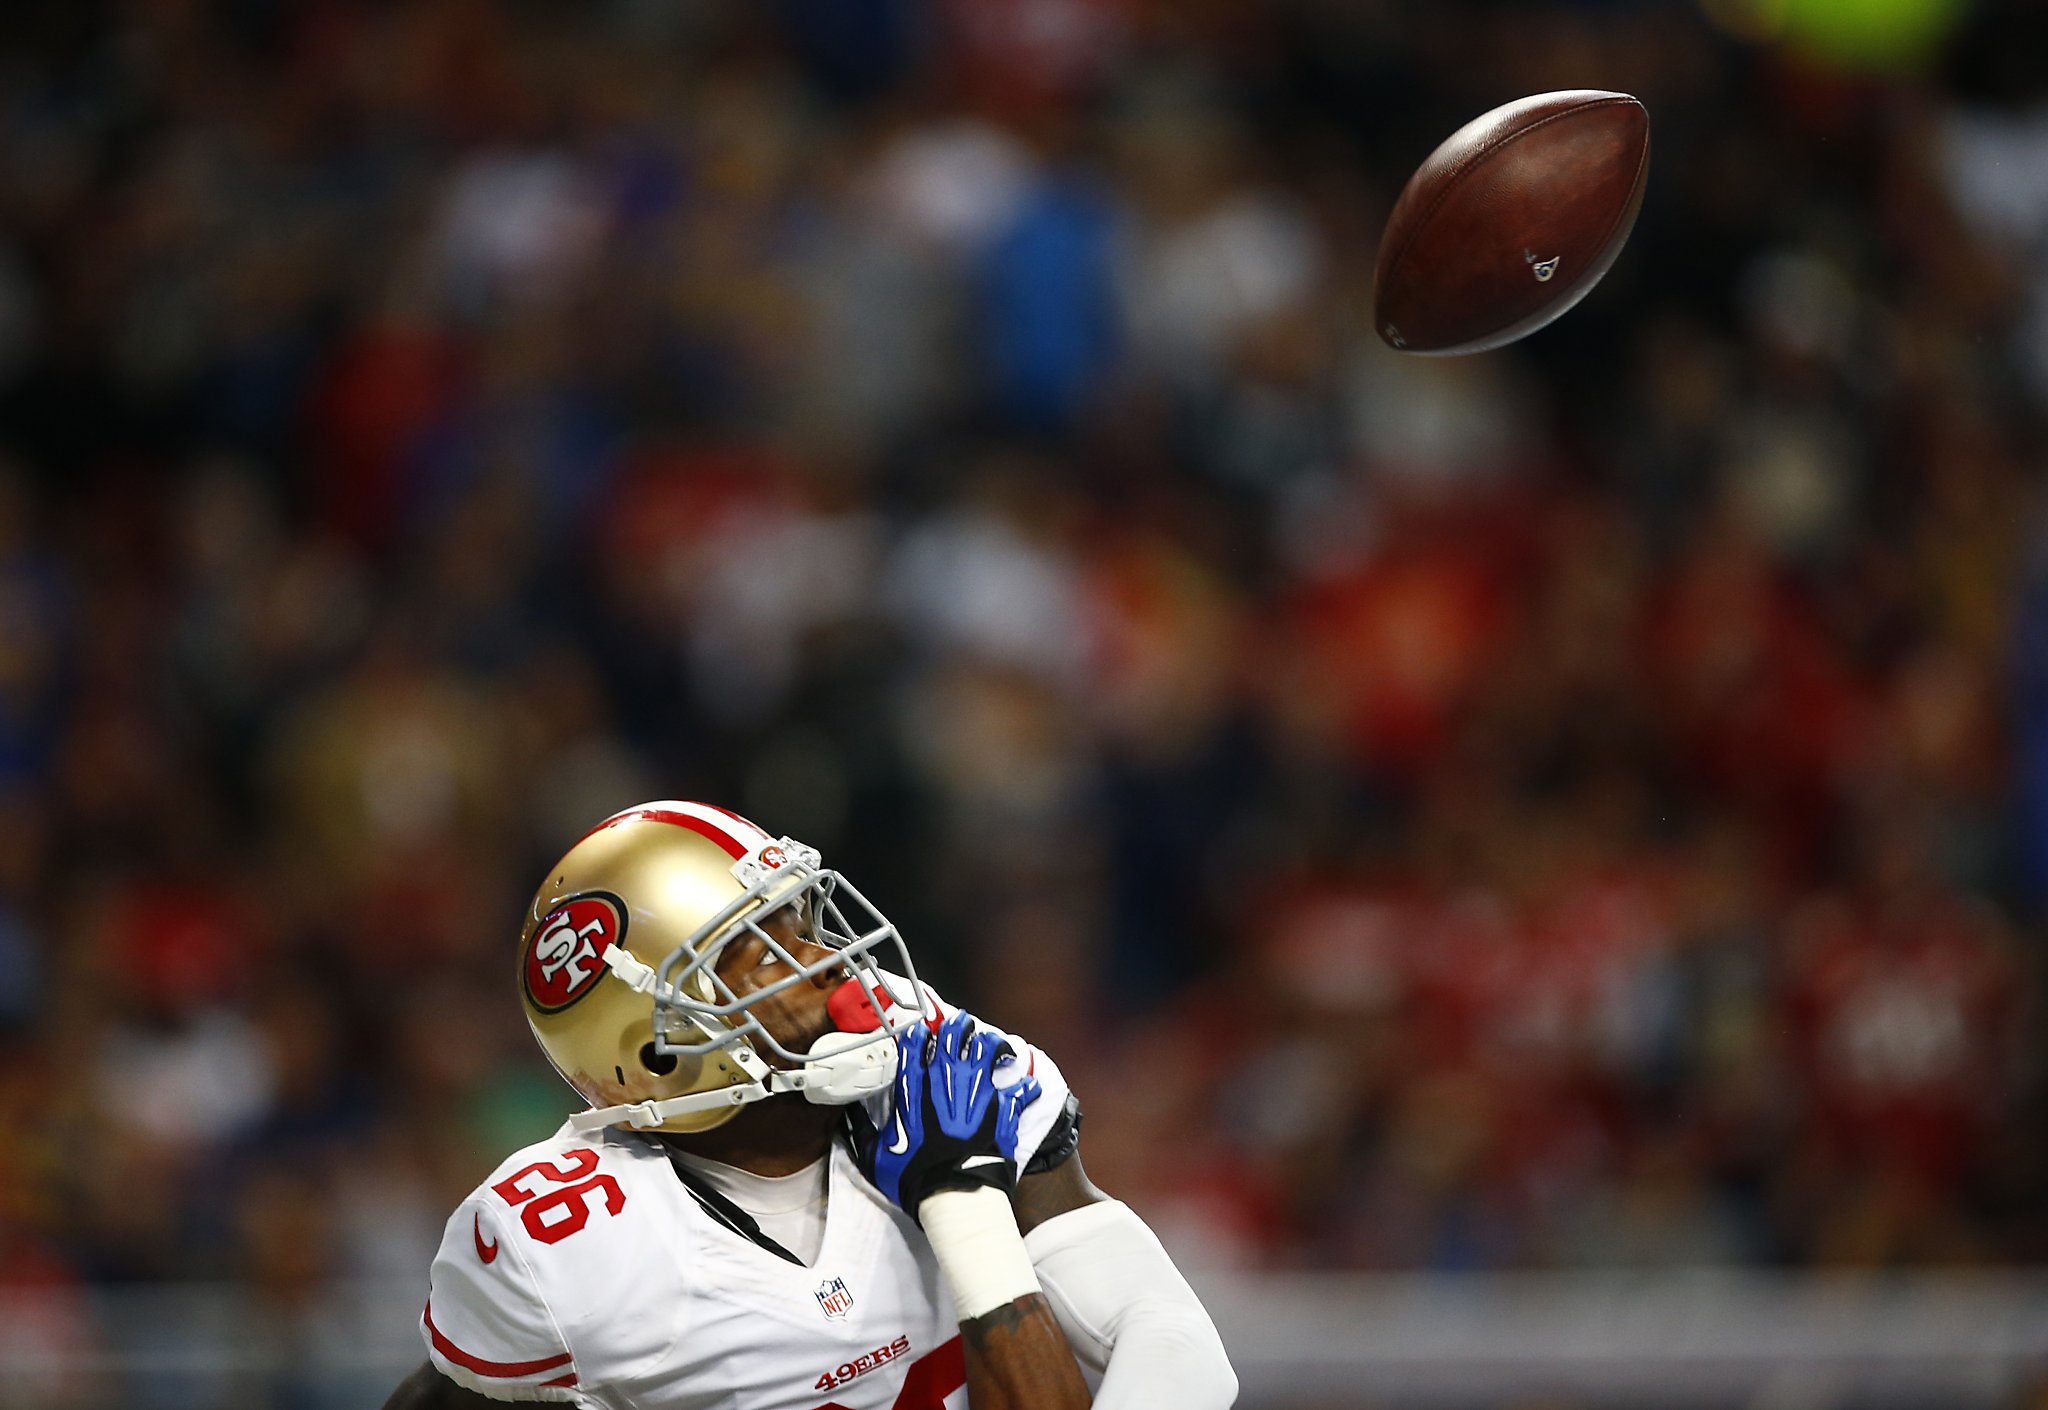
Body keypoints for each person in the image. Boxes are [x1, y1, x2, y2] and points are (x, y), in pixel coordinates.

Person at [381, 800, 1238, 1409]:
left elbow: (1173, 1341)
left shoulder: (932, 1065)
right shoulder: (562, 1244)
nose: (825, 960)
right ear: (659, 1047)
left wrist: (964, 1201)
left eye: (800, 920)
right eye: (760, 953)